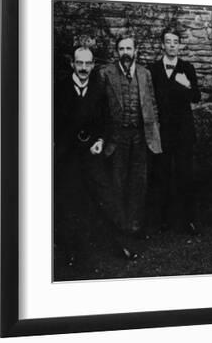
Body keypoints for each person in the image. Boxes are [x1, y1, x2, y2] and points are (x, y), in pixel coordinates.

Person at [54, 46, 137, 264]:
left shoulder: (98, 88)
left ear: (93, 65)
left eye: (87, 64)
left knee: (105, 196)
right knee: (70, 200)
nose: (83, 68)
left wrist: (100, 141)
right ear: (72, 63)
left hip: (92, 152)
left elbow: (106, 120)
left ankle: (120, 244)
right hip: (68, 155)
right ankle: (71, 251)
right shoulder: (60, 88)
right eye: (79, 63)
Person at [99, 34, 162, 239]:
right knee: (117, 181)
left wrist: (153, 133)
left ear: (136, 51)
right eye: (122, 49)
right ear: (117, 52)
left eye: (129, 49)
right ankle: (120, 226)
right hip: (117, 137)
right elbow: (99, 108)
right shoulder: (106, 73)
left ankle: (135, 226)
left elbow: (152, 104)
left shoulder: (145, 73)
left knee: (138, 182)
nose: (125, 53)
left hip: (140, 136)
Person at [149, 27, 202, 235]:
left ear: (180, 45)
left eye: (175, 41)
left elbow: (196, 97)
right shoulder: (152, 70)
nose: (172, 45)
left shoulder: (187, 68)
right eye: (168, 41)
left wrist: (186, 84)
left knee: (185, 175)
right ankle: (163, 220)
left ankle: (188, 220)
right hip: (162, 130)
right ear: (163, 44)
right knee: (161, 175)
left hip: (183, 131)